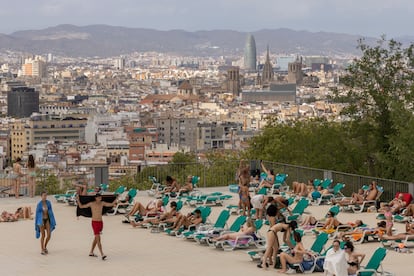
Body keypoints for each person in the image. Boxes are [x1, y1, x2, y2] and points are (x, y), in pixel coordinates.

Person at [76, 193, 117, 260]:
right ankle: (102, 254)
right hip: (94, 223)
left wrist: (116, 199)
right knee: (98, 239)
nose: (99, 199)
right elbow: (81, 206)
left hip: (101, 223)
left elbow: (111, 204)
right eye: (98, 198)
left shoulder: (102, 203)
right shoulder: (92, 203)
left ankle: (91, 252)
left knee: (96, 238)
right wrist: (78, 200)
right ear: (95, 198)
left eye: (100, 198)